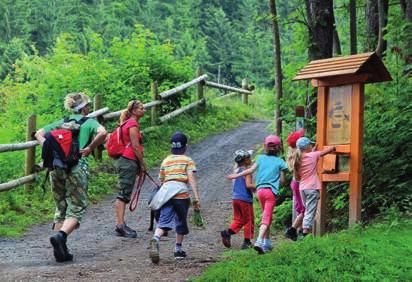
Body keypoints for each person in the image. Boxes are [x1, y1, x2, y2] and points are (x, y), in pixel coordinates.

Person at [35, 92, 106, 262]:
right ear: (84, 108)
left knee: (61, 207)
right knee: (77, 206)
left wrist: (53, 150)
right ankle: (61, 236)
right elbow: (103, 133)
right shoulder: (89, 122)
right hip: (76, 168)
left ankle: (61, 250)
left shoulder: (62, 122)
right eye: (87, 105)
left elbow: (39, 133)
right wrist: (89, 147)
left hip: (56, 168)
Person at [228, 135, 288, 254]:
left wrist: (236, 175)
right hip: (270, 193)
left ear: (265, 147)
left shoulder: (260, 158)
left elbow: (250, 170)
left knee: (267, 215)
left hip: (260, 192)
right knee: (266, 218)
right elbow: (282, 181)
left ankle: (267, 242)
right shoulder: (281, 162)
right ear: (279, 148)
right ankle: (259, 241)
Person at [149, 131, 201, 263]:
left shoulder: (166, 161)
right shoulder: (188, 160)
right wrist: (196, 197)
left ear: (172, 146)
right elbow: (191, 179)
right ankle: (178, 250)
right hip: (181, 195)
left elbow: (161, 181)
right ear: (186, 146)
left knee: (164, 221)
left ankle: (155, 239)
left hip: (167, 194)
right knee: (180, 221)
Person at [114, 100, 147, 238]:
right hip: (128, 161)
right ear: (134, 111)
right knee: (123, 193)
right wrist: (142, 164)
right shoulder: (132, 124)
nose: (144, 110)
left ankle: (121, 224)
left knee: (124, 192)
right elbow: (135, 146)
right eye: (141, 108)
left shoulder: (126, 123)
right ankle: (120, 225)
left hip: (125, 161)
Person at [290, 137, 335, 236]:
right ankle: (305, 232)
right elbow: (325, 152)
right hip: (312, 188)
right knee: (310, 211)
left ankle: (301, 230)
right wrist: (333, 147)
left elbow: (297, 177)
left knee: (307, 210)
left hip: (302, 188)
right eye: (311, 145)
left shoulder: (298, 158)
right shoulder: (313, 155)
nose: (312, 146)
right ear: (307, 146)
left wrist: (313, 150)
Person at [220, 149, 255, 250]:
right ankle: (247, 242)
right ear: (244, 160)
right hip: (245, 199)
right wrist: (258, 186)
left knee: (238, 219)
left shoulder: (235, 171)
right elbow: (248, 185)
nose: (250, 159)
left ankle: (227, 233)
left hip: (235, 198)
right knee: (248, 220)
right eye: (249, 158)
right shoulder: (247, 172)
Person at [284, 129, 305, 241]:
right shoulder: (299, 157)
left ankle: (300, 232)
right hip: (299, 184)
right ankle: (292, 230)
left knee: (300, 208)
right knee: (304, 210)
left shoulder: (293, 154)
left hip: (295, 183)